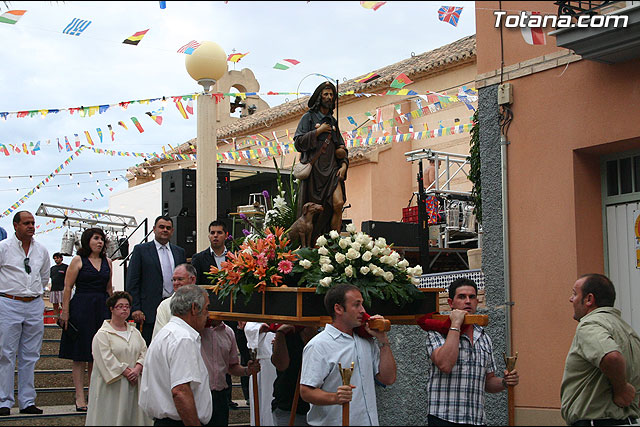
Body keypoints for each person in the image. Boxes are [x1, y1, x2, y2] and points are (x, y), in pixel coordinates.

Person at [425, 278, 519, 426]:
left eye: (472, 297)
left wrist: (504, 382)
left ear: (477, 301)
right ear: (451, 303)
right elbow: (445, 365)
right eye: (462, 297)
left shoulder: (484, 337)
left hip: (476, 420)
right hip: (444, 419)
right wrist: (456, 323)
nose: (468, 301)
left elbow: (488, 381)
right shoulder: (437, 332)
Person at [299, 284, 396, 426]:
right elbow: (306, 391)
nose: (363, 310)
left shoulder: (366, 341)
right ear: (338, 309)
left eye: (362, 304)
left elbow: (388, 378)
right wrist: (335, 398)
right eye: (356, 305)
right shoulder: (318, 345)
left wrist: (384, 341)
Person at [561, 274, 640, 426]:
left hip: (597, 421)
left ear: (589, 299)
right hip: (628, 421)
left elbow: (612, 357)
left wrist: (621, 389)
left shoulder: (589, 325)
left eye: (574, 294)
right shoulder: (628, 331)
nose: (571, 299)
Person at [139, 285, 212, 426]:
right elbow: (180, 391)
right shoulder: (183, 339)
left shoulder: (166, 333)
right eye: (206, 309)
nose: (208, 315)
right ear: (194, 308)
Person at [0, 211, 50, 416]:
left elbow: (44, 277)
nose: (31, 226)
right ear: (15, 225)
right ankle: (4, 401)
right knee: (5, 353)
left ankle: (27, 401)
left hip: (34, 303)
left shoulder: (41, 250)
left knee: (30, 354)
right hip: (8, 302)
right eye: (26, 223)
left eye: (33, 223)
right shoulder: (3, 248)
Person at [58, 227, 113, 412]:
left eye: (102, 239)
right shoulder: (78, 260)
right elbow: (67, 287)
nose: (100, 242)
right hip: (81, 308)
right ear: (87, 240)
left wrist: (113, 311)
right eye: (96, 238)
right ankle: (79, 397)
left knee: (96, 354)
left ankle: (94, 394)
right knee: (80, 354)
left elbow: (109, 289)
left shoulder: (108, 262)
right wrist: (65, 312)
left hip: (102, 308)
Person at [294, 81, 349, 243]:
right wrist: (318, 131)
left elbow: (341, 148)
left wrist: (344, 165)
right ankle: (314, 243)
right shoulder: (308, 118)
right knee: (315, 212)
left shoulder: (333, 121)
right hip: (315, 173)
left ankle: (335, 243)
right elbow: (298, 142)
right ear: (319, 97)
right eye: (326, 94)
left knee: (338, 203)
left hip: (332, 171)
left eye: (331, 94)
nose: (329, 97)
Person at [86, 291, 151, 426]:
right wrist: (126, 371)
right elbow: (106, 359)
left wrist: (138, 368)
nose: (124, 309)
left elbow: (144, 351)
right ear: (111, 309)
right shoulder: (102, 335)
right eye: (120, 306)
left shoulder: (135, 332)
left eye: (127, 306)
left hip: (134, 384)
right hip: (113, 387)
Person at [126, 215, 187, 345]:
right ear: (154, 229)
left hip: (175, 308)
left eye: (168, 228)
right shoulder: (141, 250)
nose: (165, 230)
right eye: (161, 227)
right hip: (148, 312)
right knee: (150, 347)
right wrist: (135, 308)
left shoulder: (179, 252)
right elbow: (132, 281)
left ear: (172, 231)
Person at [200, 319, 261, 426]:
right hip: (201, 394)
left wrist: (247, 370)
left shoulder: (228, 332)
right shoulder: (198, 331)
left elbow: (232, 366)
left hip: (220, 396)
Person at [271, 324, 318, 426]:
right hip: (288, 404)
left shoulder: (322, 338)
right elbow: (281, 365)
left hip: (318, 405)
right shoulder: (286, 335)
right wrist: (280, 334)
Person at [152, 263, 197, 340]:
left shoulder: (202, 301)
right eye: (174, 280)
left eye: (180, 279)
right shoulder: (164, 305)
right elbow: (159, 336)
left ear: (192, 280)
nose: (176, 283)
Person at [245, 322, 278, 426]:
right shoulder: (256, 315)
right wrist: (259, 329)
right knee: (261, 402)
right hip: (262, 363)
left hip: (280, 362)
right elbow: (249, 328)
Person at [191, 220, 229, 287]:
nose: (215, 235)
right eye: (212, 233)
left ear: (226, 236)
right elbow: (195, 284)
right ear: (209, 236)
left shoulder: (234, 258)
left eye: (219, 233)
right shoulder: (199, 258)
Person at [49, 252, 67, 317]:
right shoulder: (52, 268)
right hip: (54, 289)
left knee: (64, 305)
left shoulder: (66, 267)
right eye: (54, 258)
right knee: (55, 306)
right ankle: (56, 320)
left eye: (57, 258)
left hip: (62, 289)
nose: (56, 260)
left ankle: (65, 319)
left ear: (61, 258)